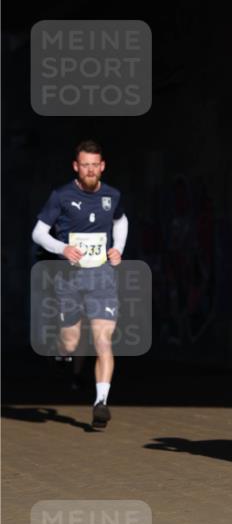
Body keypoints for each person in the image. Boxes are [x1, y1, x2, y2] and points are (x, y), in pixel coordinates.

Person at [31, 140, 128, 429]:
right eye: (84, 165)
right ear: (76, 166)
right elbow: (38, 233)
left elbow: (121, 221)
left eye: (94, 165)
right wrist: (62, 249)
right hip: (69, 278)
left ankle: (101, 403)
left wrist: (118, 248)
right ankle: (60, 352)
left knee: (102, 341)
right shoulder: (60, 196)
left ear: (102, 166)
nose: (89, 170)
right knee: (71, 342)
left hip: (102, 278)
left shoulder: (113, 195)